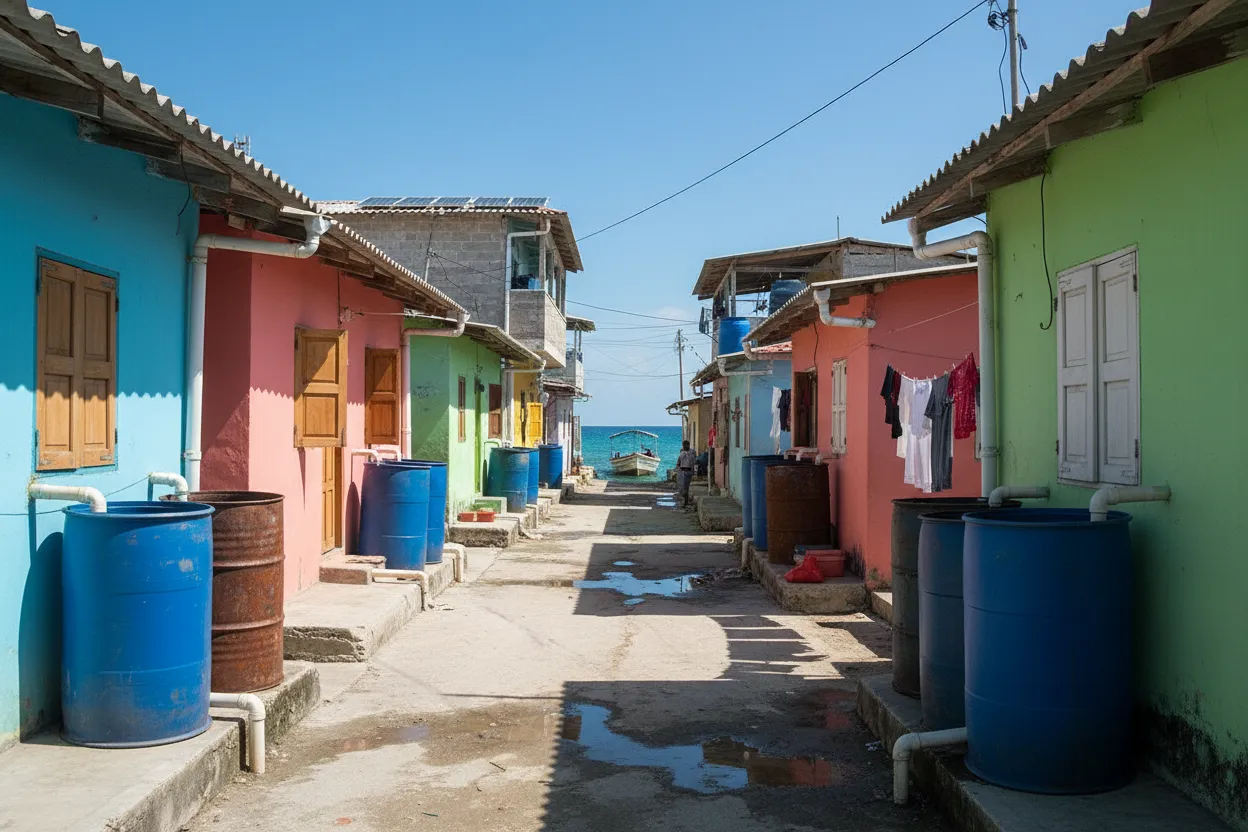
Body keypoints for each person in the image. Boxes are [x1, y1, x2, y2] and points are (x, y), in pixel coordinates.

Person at [676, 440, 696, 507]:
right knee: (681, 487)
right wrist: (678, 470)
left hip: (688, 472)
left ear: (689, 445)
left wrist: (694, 471)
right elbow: (678, 462)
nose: (685, 446)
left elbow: (694, 462)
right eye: (684, 445)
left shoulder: (692, 452)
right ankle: (685, 500)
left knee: (686, 487)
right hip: (682, 472)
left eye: (686, 445)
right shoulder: (681, 452)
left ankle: (686, 501)